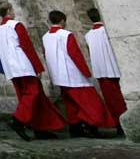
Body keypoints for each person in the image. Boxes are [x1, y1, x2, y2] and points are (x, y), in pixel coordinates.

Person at [0, 2, 65, 141]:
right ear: (8, 10)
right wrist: (37, 67)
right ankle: (18, 120)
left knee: (33, 99)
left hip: (11, 68)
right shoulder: (16, 25)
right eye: (12, 9)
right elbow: (27, 46)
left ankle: (40, 129)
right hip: (23, 66)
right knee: (33, 94)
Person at [42, 10, 116, 138]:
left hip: (58, 76)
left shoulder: (45, 36)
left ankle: (75, 128)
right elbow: (75, 54)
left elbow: (45, 54)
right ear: (62, 21)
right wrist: (85, 71)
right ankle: (91, 126)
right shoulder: (65, 34)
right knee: (91, 103)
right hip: (73, 75)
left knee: (71, 104)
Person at [84, 8, 127, 136]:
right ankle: (122, 124)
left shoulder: (88, 35)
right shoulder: (106, 30)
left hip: (100, 69)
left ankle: (118, 123)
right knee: (119, 98)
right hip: (113, 66)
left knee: (111, 99)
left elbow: (90, 52)